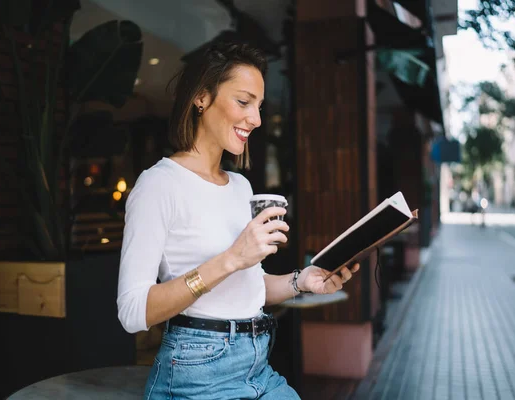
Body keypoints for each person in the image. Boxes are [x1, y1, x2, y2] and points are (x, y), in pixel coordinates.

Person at [117, 41, 360, 400]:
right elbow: (134, 312)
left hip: (257, 364)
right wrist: (231, 258)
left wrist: (302, 281)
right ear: (202, 98)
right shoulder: (158, 185)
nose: (256, 119)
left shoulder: (240, 186)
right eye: (244, 102)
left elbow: (251, 288)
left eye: (259, 106)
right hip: (197, 370)